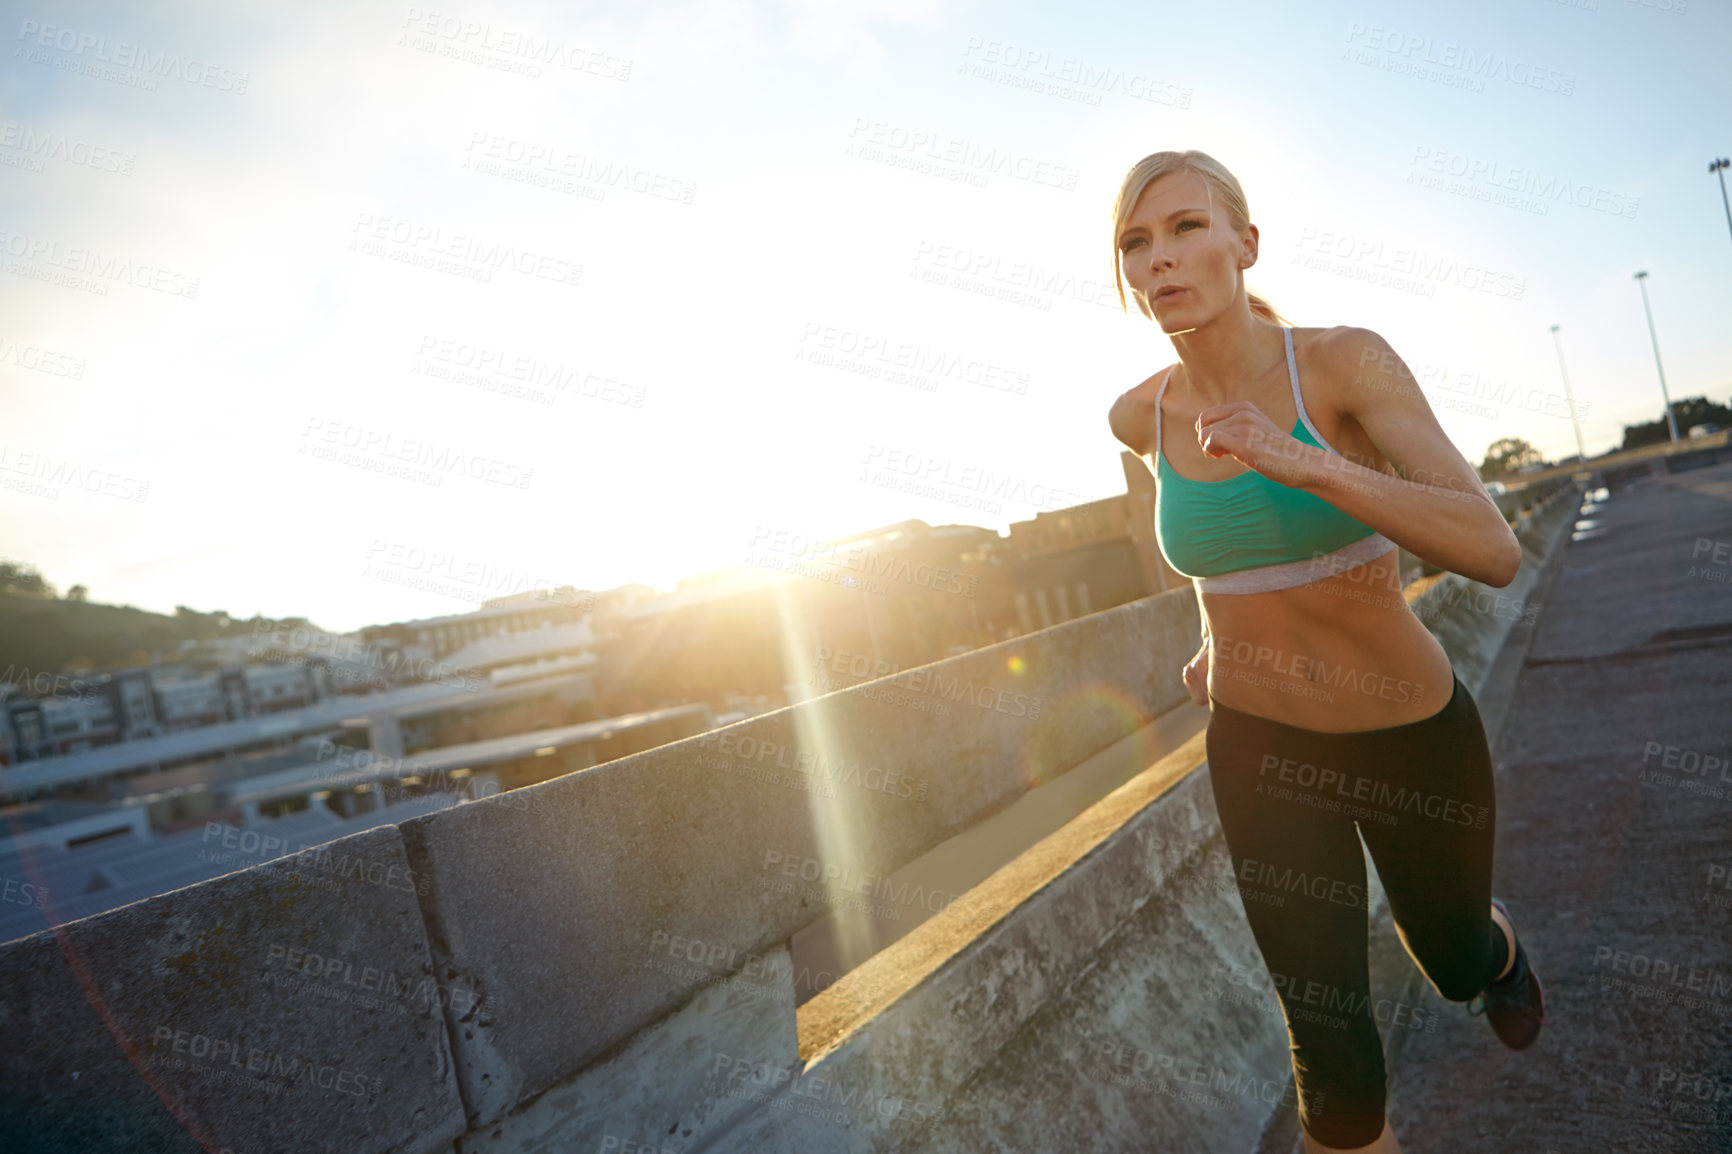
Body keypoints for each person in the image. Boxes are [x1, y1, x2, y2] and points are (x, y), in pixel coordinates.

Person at [1105, 150, 1545, 1153]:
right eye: (1136, 241)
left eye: (1184, 228)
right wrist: (1216, 644)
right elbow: (1215, 551)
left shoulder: (1345, 363)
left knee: (1450, 957)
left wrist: (1300, 458)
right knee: (1332, 1056)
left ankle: (1499, 947)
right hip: (1261, 748)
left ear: (1244, 243)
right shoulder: (1138, 417)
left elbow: (1489, 546)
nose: (1159, 259)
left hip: (1407, 733)